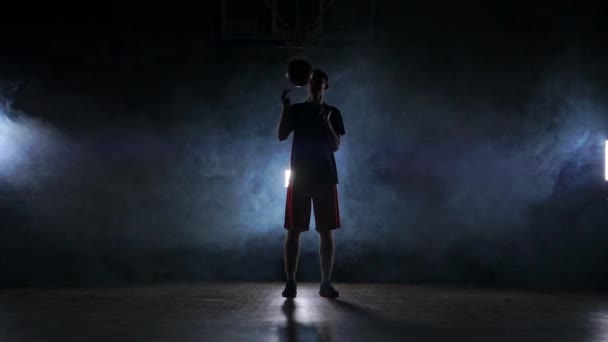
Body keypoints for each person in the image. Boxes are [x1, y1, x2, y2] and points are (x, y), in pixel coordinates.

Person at [277, 68, 345, 298]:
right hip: (299, 177)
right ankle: (290, 282)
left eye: (319, 82)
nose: (315, 85)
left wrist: (326, 123)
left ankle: (326, 283)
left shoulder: (333, 113)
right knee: (293, 230)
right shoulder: (297, 110)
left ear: (326, 86)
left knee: (326, 232)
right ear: (307, 84)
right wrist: (285, 111)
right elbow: (281, 135)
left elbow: (336, 146)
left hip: (325, 177)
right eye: (312, 82)